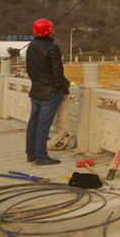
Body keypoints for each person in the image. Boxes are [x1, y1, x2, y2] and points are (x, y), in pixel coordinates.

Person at [25, 18, 70, 165]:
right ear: (49, 32)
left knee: (33, 122)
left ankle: (31, 154)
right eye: (51, 28)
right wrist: (64, 88)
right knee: (43, 124)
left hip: (36, 89)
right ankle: (41, 156)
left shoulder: (31, 46)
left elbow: (30, 69)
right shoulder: (53, 48)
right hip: (50, 92)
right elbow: (57, 73)